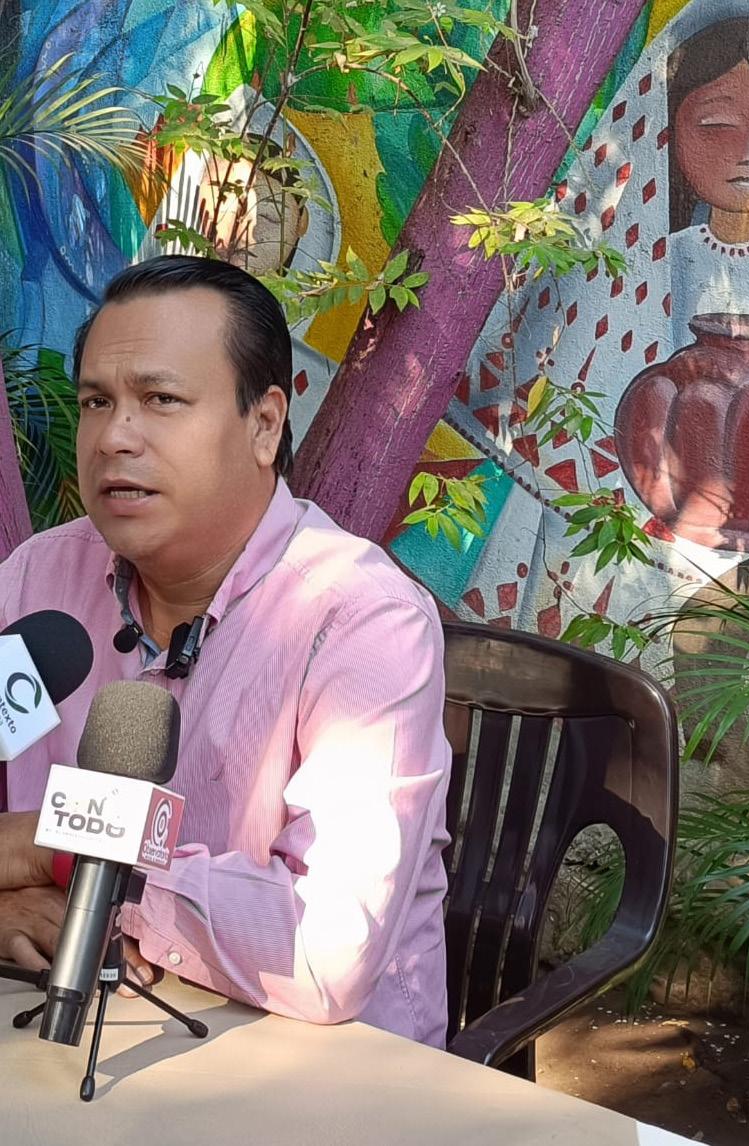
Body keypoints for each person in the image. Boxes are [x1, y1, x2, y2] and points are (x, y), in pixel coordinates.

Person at [0, 254, 452, 1047]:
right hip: (53, 1021)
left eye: (161, 400)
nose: (114, 438)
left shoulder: (360, 621)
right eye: (97, 402)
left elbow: (322, 950)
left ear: (264, 424)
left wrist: (67, 855)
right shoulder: (42, 580)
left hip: (305, 1064)